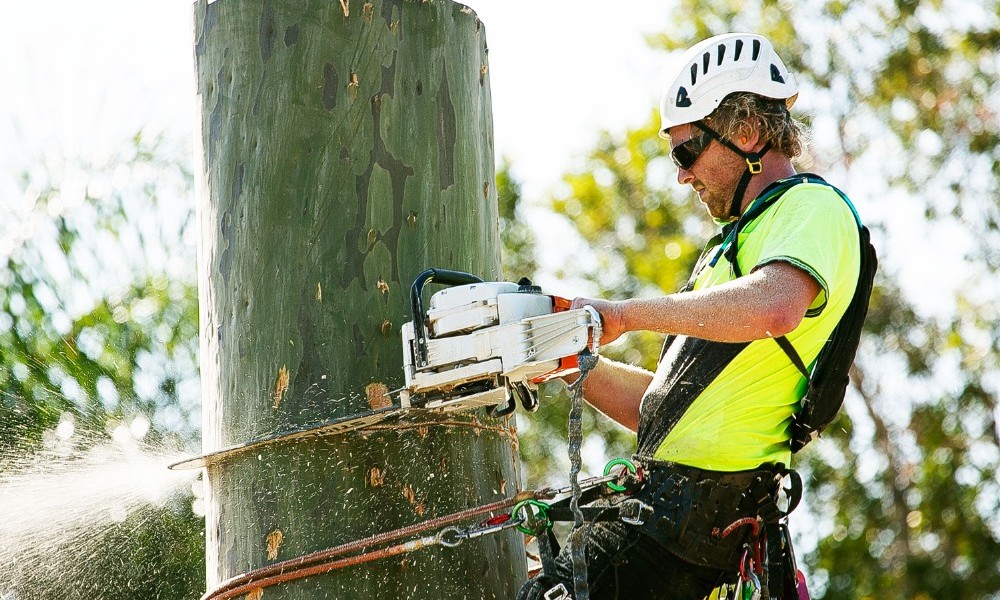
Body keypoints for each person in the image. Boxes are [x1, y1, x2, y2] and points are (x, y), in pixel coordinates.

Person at [516, 32, 863, 599]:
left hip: (694, 518)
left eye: (687, 152)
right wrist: (564, 361)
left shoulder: (811, 208)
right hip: (672, 516)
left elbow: (775, 307)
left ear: (746, 132)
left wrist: (624, 315)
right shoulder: (728, 251)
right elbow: (665, 413)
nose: (681, 175)